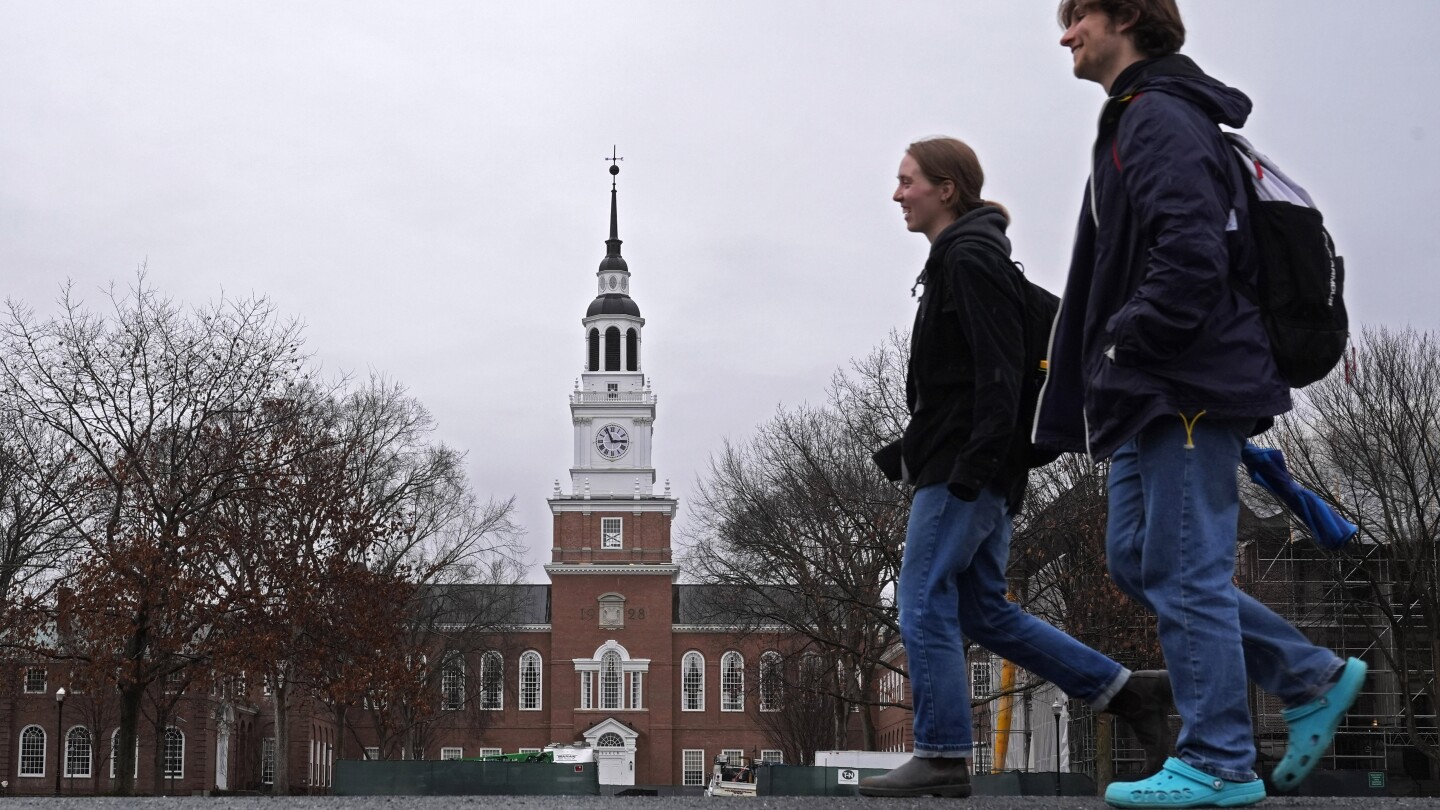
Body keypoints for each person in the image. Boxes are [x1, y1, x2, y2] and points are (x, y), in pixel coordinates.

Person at [1037, 1, 1367, 806]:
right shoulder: (1140, 118)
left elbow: (1191, 249)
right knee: (1138, 557)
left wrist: (1126, 343)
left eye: (1079, 15)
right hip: (1152, 388)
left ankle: (1220, 758)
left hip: (1180, 381)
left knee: (1186, 566)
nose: (1065, 33)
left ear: (1125, 17)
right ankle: (1307, 674)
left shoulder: (1158, 118)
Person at [858, 136, 1173, 799]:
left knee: (921, 602)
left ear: (947, 189)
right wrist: (910, 449)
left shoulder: (968, 261)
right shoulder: (971, 259)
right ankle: (1126, 691)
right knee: (987, 616)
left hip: (965, 474)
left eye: (907, 180)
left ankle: (942, 753)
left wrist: (971, 468)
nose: (897, 194)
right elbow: (964, 382)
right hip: (978, 468)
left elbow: (999, 376)